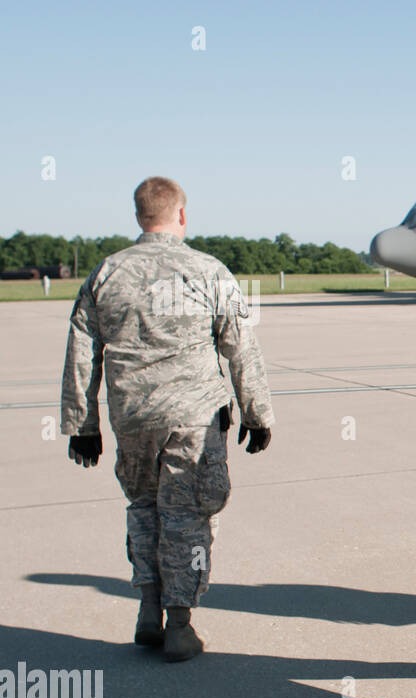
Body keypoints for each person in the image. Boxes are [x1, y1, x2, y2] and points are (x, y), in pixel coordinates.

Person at [61, 176, 274, 662]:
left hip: (132, 416)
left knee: (143, 508)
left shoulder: (107, 273)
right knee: (187, 514)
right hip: (192, 417)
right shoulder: (210, 271)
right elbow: (241, 346)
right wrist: (257, 412)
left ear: (140, 216)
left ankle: (148, 608)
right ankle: (179, 624)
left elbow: (81, 352)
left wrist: (83, 424)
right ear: (182, 215)